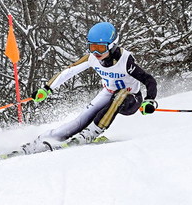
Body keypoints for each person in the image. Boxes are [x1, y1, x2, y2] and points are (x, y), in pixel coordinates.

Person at [20, 21, 158, 154]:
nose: (96, 53)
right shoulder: (91, 58)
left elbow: (149, 80)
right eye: (92, 47)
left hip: (131, 99)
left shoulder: (125, 60)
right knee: (80, 120)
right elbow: (69, 71)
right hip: (108, 93)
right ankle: (46, 139)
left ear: (112, 45)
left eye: (100, 48)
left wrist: (149, 100)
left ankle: (90, 133)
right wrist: (46, 88)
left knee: (120, 95)